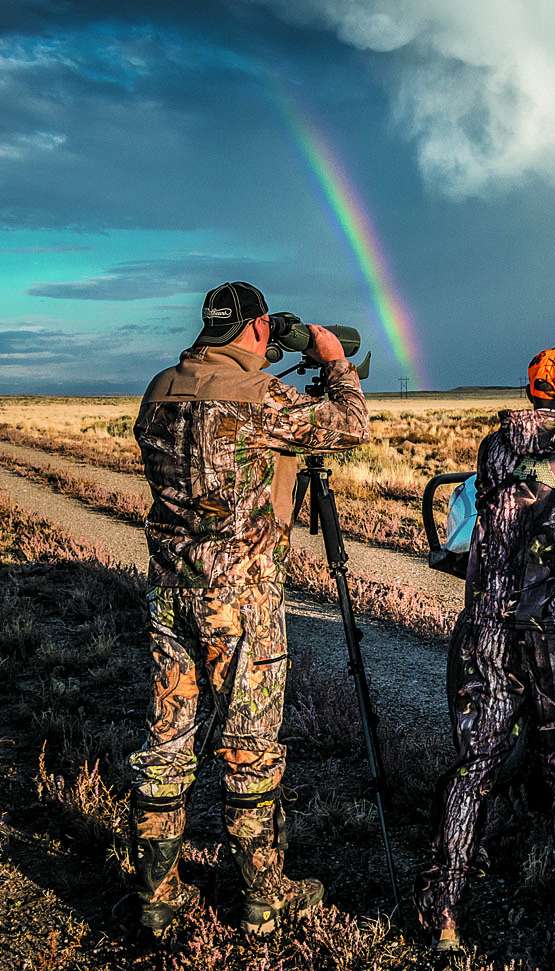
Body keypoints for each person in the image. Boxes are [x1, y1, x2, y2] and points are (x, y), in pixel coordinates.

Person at [127, 281, 370, 937]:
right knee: (251, 749)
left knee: (167, 739)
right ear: (259, 328)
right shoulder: (261, 399)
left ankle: (156, 894)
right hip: (241, 596)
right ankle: (264, 894)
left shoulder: (159, 388)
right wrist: (335, 361)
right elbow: (350, 427)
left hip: (170, 587)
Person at [413, 346, 555, 955]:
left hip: (489, 625)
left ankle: (446, 913)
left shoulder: (495, 446)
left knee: (477, 762)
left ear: (530, 388)